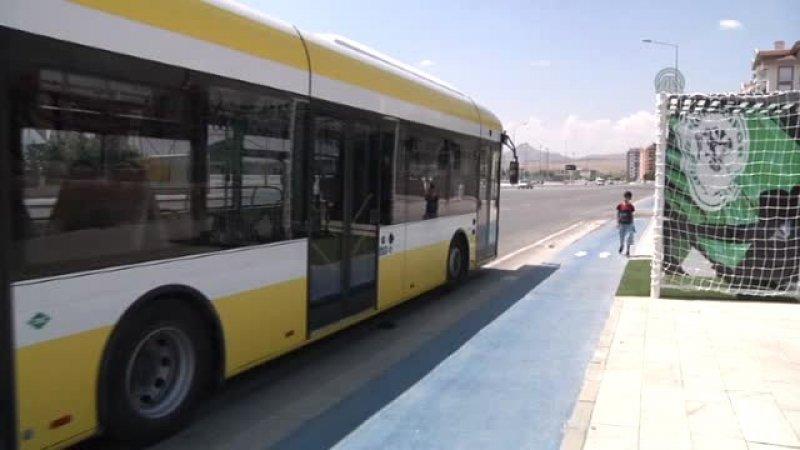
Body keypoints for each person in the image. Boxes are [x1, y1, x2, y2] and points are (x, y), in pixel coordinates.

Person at [617, 191, 635, 256]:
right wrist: (618, 223)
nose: (627, 198)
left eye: (629, 197)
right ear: (624, 197)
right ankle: (621, 245)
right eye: (626, 197)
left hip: (629, 224)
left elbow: (632, 215)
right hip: (622, 224)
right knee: (621, 237)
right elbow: (618, 214)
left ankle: (627, 250)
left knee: (628, 238)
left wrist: (632, 224)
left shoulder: (631, 206)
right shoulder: (620, 205)